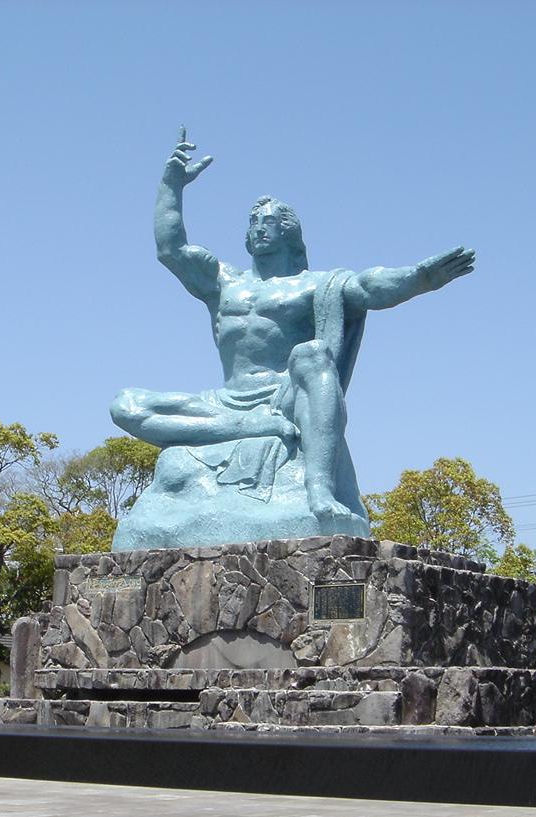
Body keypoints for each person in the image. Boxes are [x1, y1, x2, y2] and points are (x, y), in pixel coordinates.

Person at [111, 127, 475, 528]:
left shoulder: (316, 285)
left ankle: (318, 488)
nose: (258, 227)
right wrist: (171, 185)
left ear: (289, 230)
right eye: (253, 221)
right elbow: (171, 249)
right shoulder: (222, 282)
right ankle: (247, 427)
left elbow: (370, 286)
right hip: (226, 402)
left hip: (282, 398)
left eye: (268, 221)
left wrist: (420, 278)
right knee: (126, 405)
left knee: (312, 354)